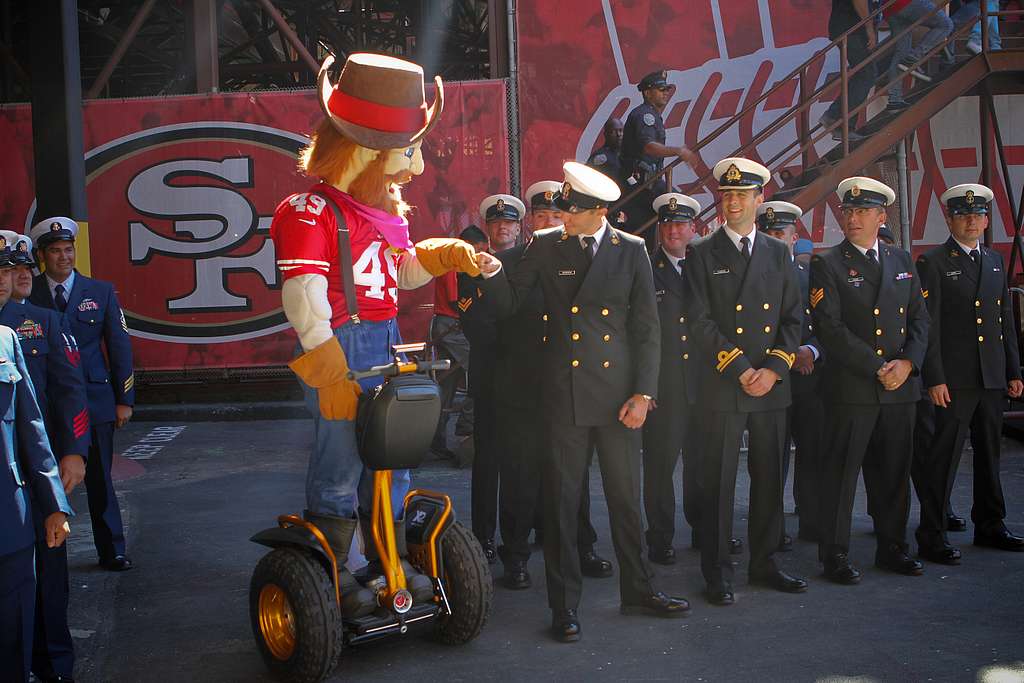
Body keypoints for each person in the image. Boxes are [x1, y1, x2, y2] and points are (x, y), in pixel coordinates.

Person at [268, 53, 483, 612]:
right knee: (340, 464)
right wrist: (327, 366)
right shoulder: (309, 209)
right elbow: (304, 296)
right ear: (366, 150)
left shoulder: (386, 210)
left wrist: (441, 255)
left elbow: (400, 272)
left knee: (391, 461)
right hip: (341, 344)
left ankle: (389, 562)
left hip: (385, 340)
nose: (414, 167)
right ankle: (337, 571)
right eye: (406, 152)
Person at [478, 162, 690, 642]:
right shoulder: (547, 247)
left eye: (571, 209)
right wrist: (490, 270)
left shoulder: (631, 249)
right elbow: (509, 302)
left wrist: (644, 393)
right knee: (561, 503)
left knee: (624, 500)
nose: (560, 215)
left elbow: (646, 329)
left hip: (619, 399)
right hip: (564, 396)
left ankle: (638, 590)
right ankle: (563, 606)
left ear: (597, 212)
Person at [684, 158, 807, 606]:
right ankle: (716, 572)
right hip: (724, 383)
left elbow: (793, 319)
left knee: (770, 478)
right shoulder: (701, 251)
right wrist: (741, 370)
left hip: (771, 386)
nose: (733, 202)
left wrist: (773, 369)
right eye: (727, 194)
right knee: (717, 483)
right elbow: (697, 322)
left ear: (760, 199)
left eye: (742, 195)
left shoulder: (779, 252)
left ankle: (766, 562)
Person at [810, 176, 929, 584]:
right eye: (849, 211)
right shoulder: (828, 263)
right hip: (855, 387)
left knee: (894, 471)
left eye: (862, 211)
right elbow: (830, 328)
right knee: (841, 475)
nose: (853, 218)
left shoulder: (901, 261)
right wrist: (879, 366)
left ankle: (893, 546)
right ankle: (835, 554)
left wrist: (909, 364)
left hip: (900, 388)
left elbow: (919, 320)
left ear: (882, 216)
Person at [495, 184, 611, 588]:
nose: (550, 223)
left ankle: (583, 545)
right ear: (531, 222)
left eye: (557, 217)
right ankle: (516, 557)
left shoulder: (585, 259)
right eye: (542, 217)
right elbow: (491, 323)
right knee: (521, 475)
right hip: (523, 383)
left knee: (573, 474)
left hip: (568, 384)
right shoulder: (508, 261)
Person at [913, 183, 1024, 563]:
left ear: (986, 219)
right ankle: (932, 532)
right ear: (949, 218)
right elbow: (929, 326)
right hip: (954, 380)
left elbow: (1003, 319)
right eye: (963, 215)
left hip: (990, 375)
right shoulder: (934, 262)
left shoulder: (993, 261)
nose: (972, 221)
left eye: (978, 215)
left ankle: (990, 524)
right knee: (944, 457)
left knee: (990, 454)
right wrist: (935, 377)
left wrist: (1013, 368)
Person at [0, 232, 88, 683]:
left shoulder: (39, 322)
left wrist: (73, 452)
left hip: (37, 472)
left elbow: (69, 390)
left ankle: (54, 667)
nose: (10, 278)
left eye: (15, 269)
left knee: (48, 579)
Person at [28, 218, 135, 573]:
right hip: (47, 405)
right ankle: (49, 552)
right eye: (56, 251)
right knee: (47, 479)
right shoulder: (31, 294)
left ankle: (113, 550)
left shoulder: (100, 291)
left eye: (69, 250)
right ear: (42, 255)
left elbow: (119, 348)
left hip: (96, 402)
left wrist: (124, 399)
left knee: (101, 480)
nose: (64, 257)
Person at [459, 194, 526, 563]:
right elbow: (474, 324)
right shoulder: (470, 268)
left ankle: (516, 542)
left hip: (524, 381)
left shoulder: (531, 264)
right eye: (497, 222)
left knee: (519, 464)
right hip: (489, 379)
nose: (503, 227)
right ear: (488, 228)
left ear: (519, 227)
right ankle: (483, 538)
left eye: (510, 222)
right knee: (487, 465)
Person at [755, 203, 824, 545]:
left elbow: (827, 324)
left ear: (794, 239)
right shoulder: (748, 277)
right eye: (768, 233)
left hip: (808, 379)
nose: (775, 240)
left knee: (812, 453)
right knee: (770, 458)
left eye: (781, 234)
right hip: (769, 379)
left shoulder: (810, 278)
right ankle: (772, 530)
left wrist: (809, 350)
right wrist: (784, 358)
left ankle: (812, 521)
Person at [642, 192, 702, 565]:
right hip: (663, 385)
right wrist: (645, 386)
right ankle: (660, 537)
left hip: (703, 384)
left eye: (681, 223)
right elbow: (639, 332)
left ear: (693, 228)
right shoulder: (646, 268)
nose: (674, 230)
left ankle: (703, 529)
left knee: (702, 463)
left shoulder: (705, 266)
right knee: (661, 466)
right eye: (667, 224)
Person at [429, 225, 488, 456]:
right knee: (481, 371)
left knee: (447, 384)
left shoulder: (449, 261)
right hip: (453, 326)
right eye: (479, 251)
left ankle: (436, 438)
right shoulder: (455, 264)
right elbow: (460, 302)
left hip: (447, 325)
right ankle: (467, 429)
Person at [619, 70, 699, 236]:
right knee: (678, 207)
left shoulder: (652, 114)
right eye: (660, 89)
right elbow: (649, 146)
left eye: (667, 90)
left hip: (647, 183)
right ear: (647, 93)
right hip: (639, 184)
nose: (666, 93)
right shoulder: (645, 114)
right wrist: (679, 151)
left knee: (647, 230)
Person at [820, 1, 877, 141]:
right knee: (867, 73)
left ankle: (839, 120)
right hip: (851, 27)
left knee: (864, 73)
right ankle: (836, 119)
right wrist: (869, 27)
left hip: (846, 26)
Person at [884, 0, 952, 112]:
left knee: (901, 52)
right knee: (946, 25)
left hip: (889, 8)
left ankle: (895, 100)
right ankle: (914, 57)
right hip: (908, 3)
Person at [587, 117, 624, 184]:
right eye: (614, 131)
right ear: (606, 134)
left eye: (620, 130)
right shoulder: (600, 156)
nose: (618, 134)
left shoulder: (626, 154)